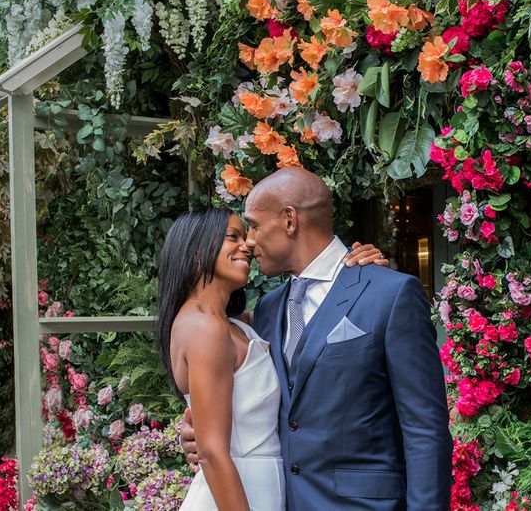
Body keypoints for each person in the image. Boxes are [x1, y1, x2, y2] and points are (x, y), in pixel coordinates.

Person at [180, 167, 453, 510]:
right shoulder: (267, 310)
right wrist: (199, 433)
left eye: (254, 225)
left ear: (290, 221)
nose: (249, 241)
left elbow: (425, 429)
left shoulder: (390, 294)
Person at [156, 207, 387, 511]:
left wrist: (354, 265)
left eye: (247, 234)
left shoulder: (238, 324)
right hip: (237, 495)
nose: (247, 245)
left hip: (266, 489)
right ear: (197, 251)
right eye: (232, 236)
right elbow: (212, 452)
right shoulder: (204, 327)